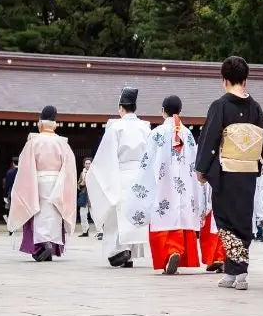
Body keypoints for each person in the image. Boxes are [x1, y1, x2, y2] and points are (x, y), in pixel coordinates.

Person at [195, 56, 263, 291]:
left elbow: (210, 139)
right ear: (245, 80)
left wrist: (201, 168)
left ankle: (239, 271)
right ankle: (232, 272)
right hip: (247, 171)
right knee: (242, 219)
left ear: (224, 80)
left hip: (226, 172)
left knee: (226, 220)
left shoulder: (221, 106)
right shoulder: (254, 106)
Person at [87, 87, 153, 268]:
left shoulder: (115, 127)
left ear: (121, 108)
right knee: (133, 214)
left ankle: (119, 251)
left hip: (121, 174)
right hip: (140, 177)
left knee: (117, 215)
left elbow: (106, 157)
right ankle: (130, 253)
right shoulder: (145, 128)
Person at [6, 106, 78, 262]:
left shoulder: (33, 142)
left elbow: (25, 167)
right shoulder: (63, 143)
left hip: (37, 181)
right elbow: (70, 169)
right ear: (55, 124)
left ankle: (42, 246)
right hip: (57, 182)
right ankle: (51, 244)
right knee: (54, 213)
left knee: (37, 212)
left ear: (40, 124)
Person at [145, 95, 204, 275]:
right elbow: (195, 162)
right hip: (183, 186)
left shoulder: (156, 133)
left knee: (163, 216)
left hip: (163, 183)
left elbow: (147, 162)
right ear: (180, 111)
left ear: (163, 111)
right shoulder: (187, 134)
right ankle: (177, 251)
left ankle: (170, 253)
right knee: (180, 215)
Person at [77, 158, 91, 237]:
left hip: (93, 196)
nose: (88, 165)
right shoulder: (82, 173)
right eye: (86, 163)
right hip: (84, 195)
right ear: (84, 164)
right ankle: (85, 231)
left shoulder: (94, 173)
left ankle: (101, 232)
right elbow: (78, 185)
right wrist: (82, 184)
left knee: (95, 215)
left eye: (89, 163)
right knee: (82, 214)